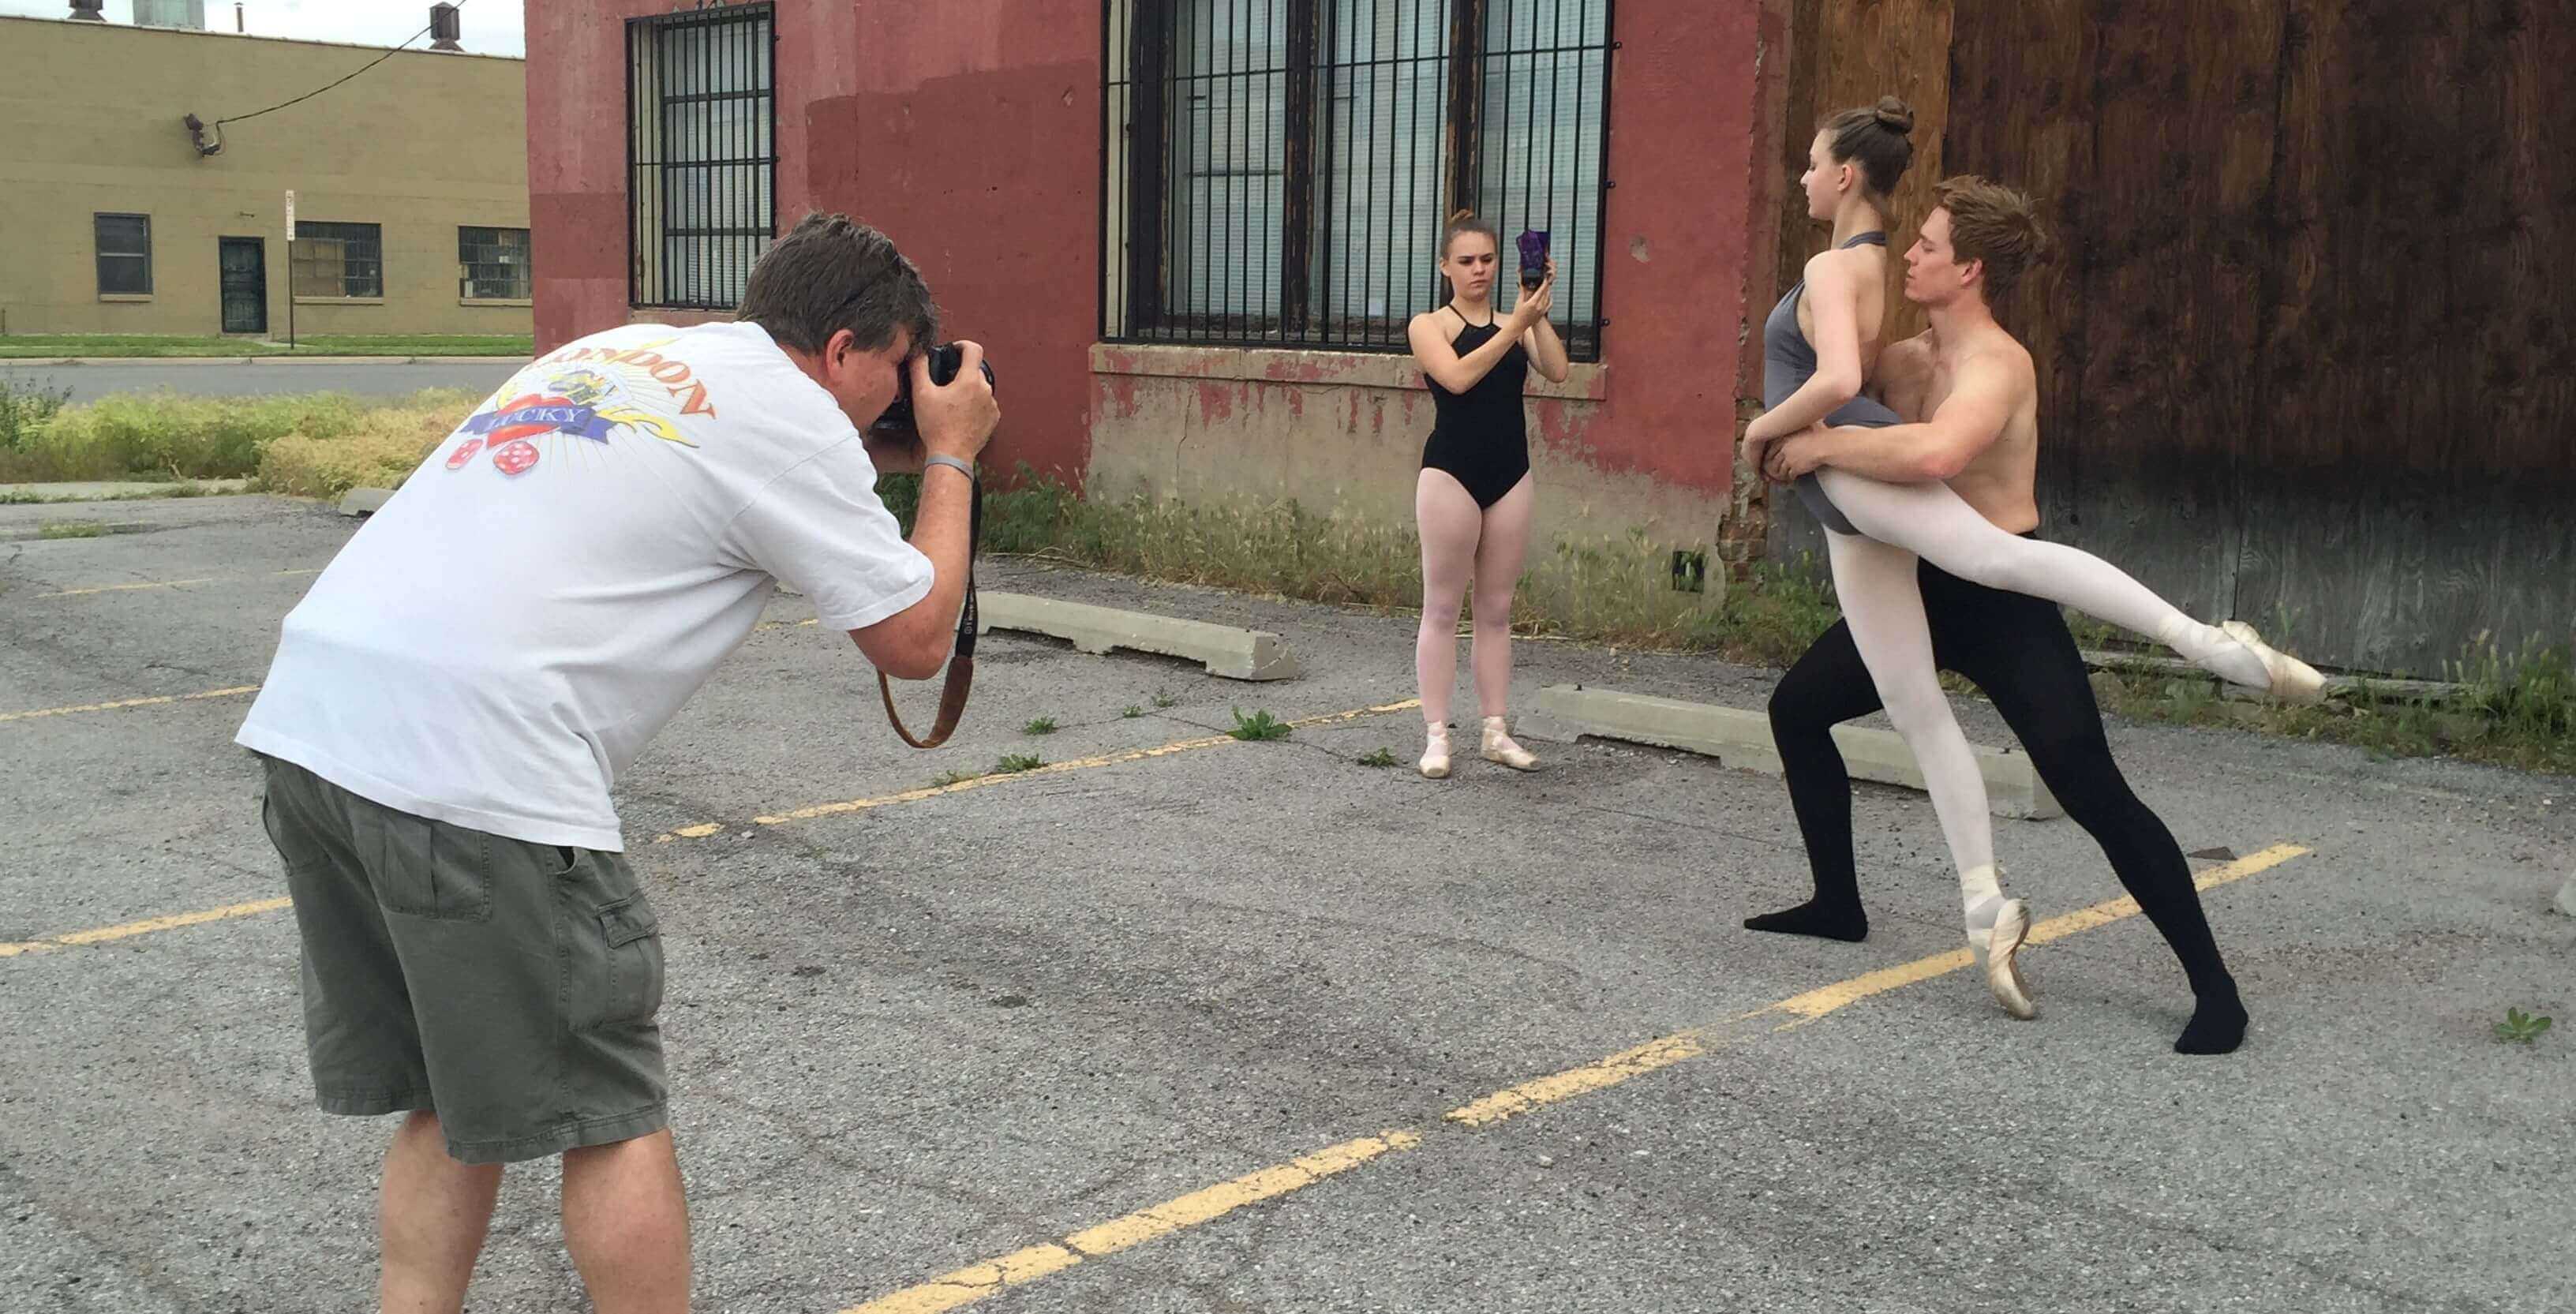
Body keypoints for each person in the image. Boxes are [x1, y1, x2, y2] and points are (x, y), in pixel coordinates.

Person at [234, 212, 1000, 1311]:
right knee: (610, 1113)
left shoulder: (620, 351)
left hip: (315, 723)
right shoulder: (790, 417)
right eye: (896, 366)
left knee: (452, 1095)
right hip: (475, 765)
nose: (899, 394)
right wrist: (953, 453)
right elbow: (916, 638)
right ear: (840, 348)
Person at [1748, 173, 2255, 1054]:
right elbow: (1830, 380)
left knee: (2092, 791)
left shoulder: (2000, 363)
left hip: (2003, 604)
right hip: (1918, 590)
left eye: (1929, 247)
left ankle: (2218, 992)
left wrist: (1823, 441)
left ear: (1971, 269)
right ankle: (1838, 904)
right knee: (1797, 709)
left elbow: (1936, 451)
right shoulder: (1902, 361)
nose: (1910, 254)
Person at [1408, 210, 1571, 779]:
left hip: (1510, 473)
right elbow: (1456, 377)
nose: (1479, 269)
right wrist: (1513, 326)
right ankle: (1435, 735)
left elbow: (1558, 371)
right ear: (1445, 267)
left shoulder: (1518, 320)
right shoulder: (1430, 324)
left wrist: (1536, 310)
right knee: (1443, 607)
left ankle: (1495, 730)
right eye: (1467, 261)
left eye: (1487, 259)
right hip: (1451, 473)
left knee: (1497, 610)